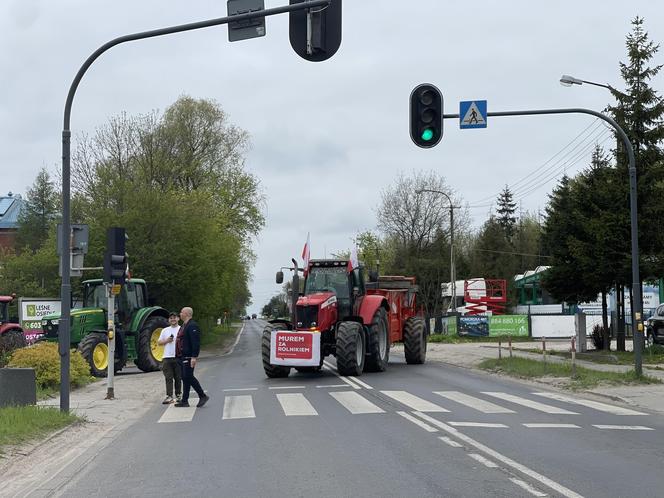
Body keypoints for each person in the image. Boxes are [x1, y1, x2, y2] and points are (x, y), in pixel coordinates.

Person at [174, 306, 209, 408]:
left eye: (181, 312)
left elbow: (195, 342)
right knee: (185, 378)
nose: (180, 314)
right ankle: (185, 400)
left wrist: (194, 357)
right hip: (182, 356)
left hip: (189, 356)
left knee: (188, 377)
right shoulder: (184, 326)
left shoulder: (192, 326)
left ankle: (202, 395)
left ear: (187, 314)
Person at [157, 312, 182, 404]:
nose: (173, 319)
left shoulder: (181, 329)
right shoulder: (165, 330)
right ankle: (169, 396)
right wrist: (167, 340)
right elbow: (159, 342)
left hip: (178, 356)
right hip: (167, 357)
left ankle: (179, 395)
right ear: (169, 320)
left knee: (178, 377)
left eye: (174, 318)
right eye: (171, 318)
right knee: (168, 377)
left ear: (178, 319)